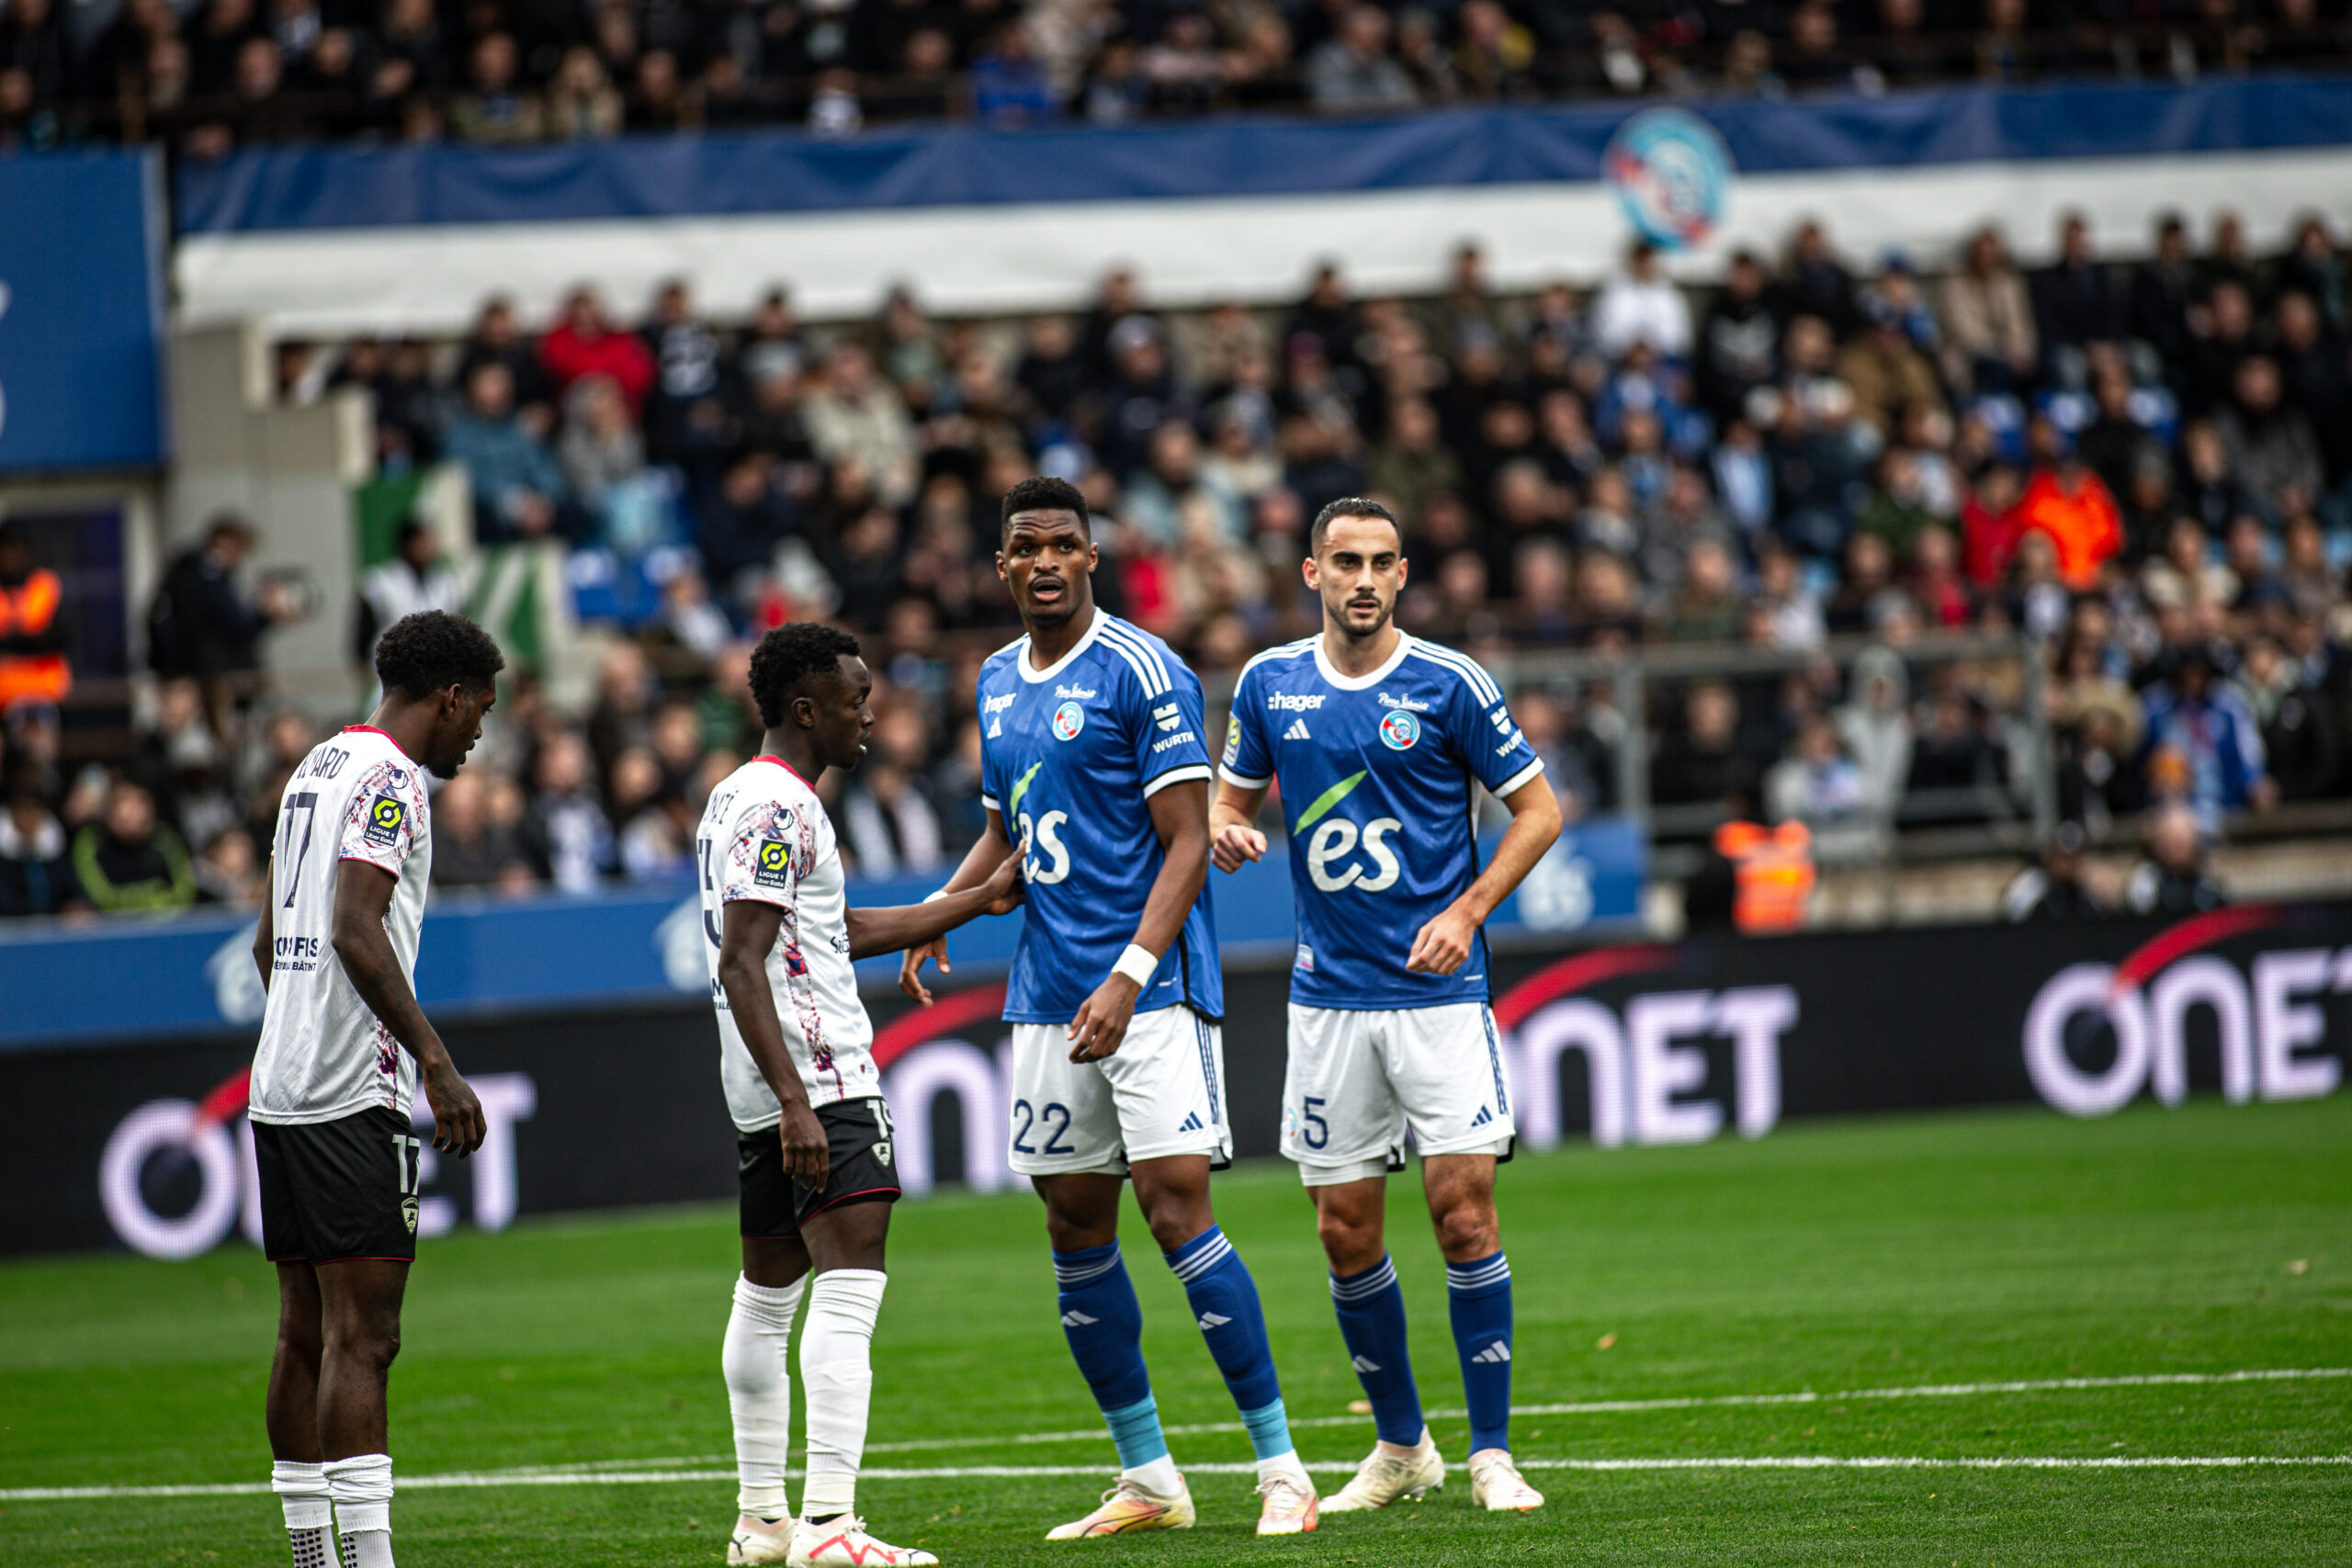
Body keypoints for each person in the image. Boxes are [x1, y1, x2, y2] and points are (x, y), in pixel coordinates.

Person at [900, 476, 1318, 1538]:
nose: (1043, 561)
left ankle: (1282, 1471)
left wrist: (1129, 977)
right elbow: (1009, 826)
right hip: (1046, 995)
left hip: (1148, 987)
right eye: (1024, 547)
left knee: (1177, 1210)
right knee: (1072, 1225)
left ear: (1093, 558)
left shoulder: (1143, 669)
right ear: (1000, 566)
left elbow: (1187, 839)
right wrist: (940, 912)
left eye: (1063, 545)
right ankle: (1148, 1477)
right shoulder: (995, 680)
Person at [1209, 497, 1560, 1515]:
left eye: (1381, 563)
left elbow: (1538, 811)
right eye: (1343, 561)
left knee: (1461, 1209)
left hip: (1439, 995)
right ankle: (1402, 1446)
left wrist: (1468, 908)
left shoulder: (1450, 684)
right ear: (1310, 573)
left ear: (1403, 576)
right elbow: (1229, 804)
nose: (1362, 579)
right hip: (1328, 1002)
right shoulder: (1270, 684)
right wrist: (1230, 830)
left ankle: (1490, 1451)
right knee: (1342, 1230)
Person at [695, 623, 1023, 1568]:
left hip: (765, 1084)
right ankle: (830, 1528)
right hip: (818, 1080)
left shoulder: (742, 800)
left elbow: (830, 930)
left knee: (766, 1293)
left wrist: (971, 901)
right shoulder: (776, 807)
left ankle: (762, 1525)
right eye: (853, 698)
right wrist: (800, 1102)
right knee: (850, 1285)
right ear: (805, 709)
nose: (868, 714)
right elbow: (741, 958)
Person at [246, 610, 505, 1568]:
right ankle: (368, 1561)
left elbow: (273, 941)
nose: (478, 729)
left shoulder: (314, 765)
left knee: (303, 1333)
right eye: (478, 708)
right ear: (446, 696)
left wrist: (306, 1024)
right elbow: (358, 928)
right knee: (367, 1339)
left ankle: (315, 1556)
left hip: (281, 1085)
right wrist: (434, 1062)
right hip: (351, 1090)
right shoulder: (392, 779)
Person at [0, 521, 70, 715]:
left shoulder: (45, 585)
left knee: (41, 739)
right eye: (5, 549)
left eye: (16, 548)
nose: (10, 557)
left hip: (44, 694)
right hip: (3, 699)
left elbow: (59, 637)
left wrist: (13, 641)